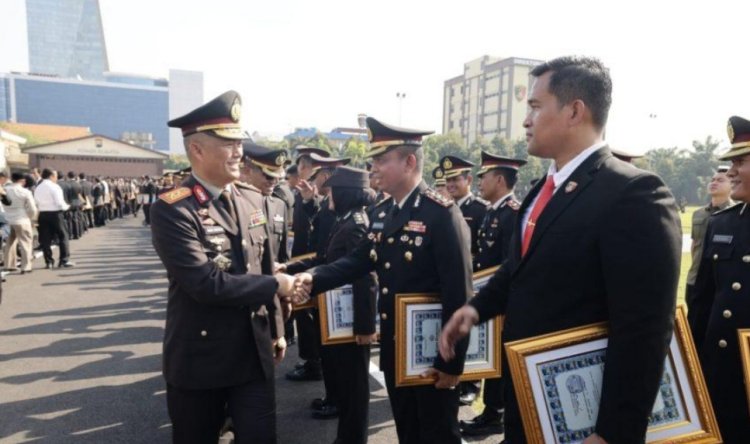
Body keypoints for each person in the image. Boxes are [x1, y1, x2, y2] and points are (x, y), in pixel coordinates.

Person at [439, 56, 682, 444]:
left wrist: (614, 433)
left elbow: (644, 329)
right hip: (529, 398)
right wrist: (475, 309)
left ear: (574, 111)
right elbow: (520, 269)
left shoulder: (633, 192)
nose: (526, 120)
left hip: (581, 419)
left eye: (535, 106)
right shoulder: (542, 190)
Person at [294, 116, 473, 443]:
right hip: (396, 349)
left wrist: (452, 363)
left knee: (436, 434)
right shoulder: (382, 212)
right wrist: (311, 278)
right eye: (372, 159)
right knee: (407, 431)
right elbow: (356, 262)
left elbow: (459, 295)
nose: (372, 167)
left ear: (409, 161)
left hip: (431, 353)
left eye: (381, 159)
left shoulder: (441, 214)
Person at [151, 90, 297, 444]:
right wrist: (277, 287)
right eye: (228, 144)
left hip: (253, 352)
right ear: (197, 150)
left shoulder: (252, 198)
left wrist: (276, 327)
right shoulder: (173, 209)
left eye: (239, 143)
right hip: (201, 361)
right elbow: (205, 283)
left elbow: (264, 264)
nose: (239, 152)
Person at [284, 166, 377, 443]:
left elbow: (365, 277)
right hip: (336, 316)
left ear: (346, 193)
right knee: (343, 381)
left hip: (350, 320)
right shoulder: (343, 220)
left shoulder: (357, 224)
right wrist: (290, 268)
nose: (328, 194)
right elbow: (323, 261)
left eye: (332, 190)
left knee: (355, 387)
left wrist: (364, 326)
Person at [688, 115, 750, 442]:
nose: (730, 172)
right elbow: (704, 300)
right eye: (729, 164)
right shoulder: (722, 223)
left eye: (740, 162)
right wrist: (692, 364)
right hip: (722, 371)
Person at [460, 152, 526, 438]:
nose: (479, 181)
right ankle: (491, 410)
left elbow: (509, 263)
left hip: (503, 300)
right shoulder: (493, 211)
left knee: (498, 358)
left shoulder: (512, 212)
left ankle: (494, 413)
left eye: (484, 176)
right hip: (489, 295)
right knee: (491, 357)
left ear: (500, 179)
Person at [285, 145, 332, 382]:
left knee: (314, 317)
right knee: (303, 315)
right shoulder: (300, 194)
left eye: (306, 167)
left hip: (316, 265)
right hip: (300, 261)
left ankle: (316, 363)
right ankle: (310, 360)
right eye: (301, 166)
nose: (301, 171)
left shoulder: (326, 199)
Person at [685, 166, 733, 309]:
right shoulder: (698, 214)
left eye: (720, 180)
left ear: (732, 185)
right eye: (712, 180)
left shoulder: (737, 214)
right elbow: (695, 245)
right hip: (695, 279)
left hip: (721, 283)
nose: (714, 183)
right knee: (693, 324)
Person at [240, 142, 290, 266]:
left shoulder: (280, 205)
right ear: (247, 171)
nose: (273, 182)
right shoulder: (235, 204)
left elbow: (283, 254)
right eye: (269, 176)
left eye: (277, 177)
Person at [34, 169, 75, 268]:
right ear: (51, 176)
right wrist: (68, 207)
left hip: (43, 214)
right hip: (56, 214)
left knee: (45, 239)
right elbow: (60, 203)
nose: (56, 178)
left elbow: (36, 202)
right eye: (55, 176)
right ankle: (64, 260)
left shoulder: (38, 187)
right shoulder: (55, 187)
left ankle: (48, 261)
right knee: (63, 236)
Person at [3, 172, 38, 274]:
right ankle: (26, 266)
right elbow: (32, 209)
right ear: (23, 180)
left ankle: (9, 264)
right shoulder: (25, 192)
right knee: (26, 242)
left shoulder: (5, 189)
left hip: (8, 218)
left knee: (10, 242)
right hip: (22, 219)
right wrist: (31, 218)